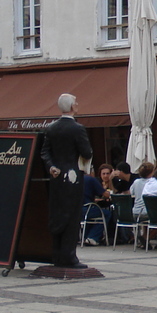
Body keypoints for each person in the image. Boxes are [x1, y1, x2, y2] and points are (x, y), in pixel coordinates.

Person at [41, 94, 93, 269]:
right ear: (72, 106)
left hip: (56, 176)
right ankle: (69, 256)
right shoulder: (78, 129)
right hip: (73, 176)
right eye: (76, 102)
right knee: (72, 215)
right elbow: (86, 152)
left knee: (56, 214)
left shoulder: (51, 128)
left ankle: (57, 254)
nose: (78, 105)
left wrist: (51, 166)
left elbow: (45, 152)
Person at [81, 164, 113, 246]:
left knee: (91, 217)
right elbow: (105, 194)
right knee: (106, 214)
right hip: (87, 208)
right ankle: (93, 237)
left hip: (76, 210)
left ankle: (85, 237)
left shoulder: (76, 179)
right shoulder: (91, 179)